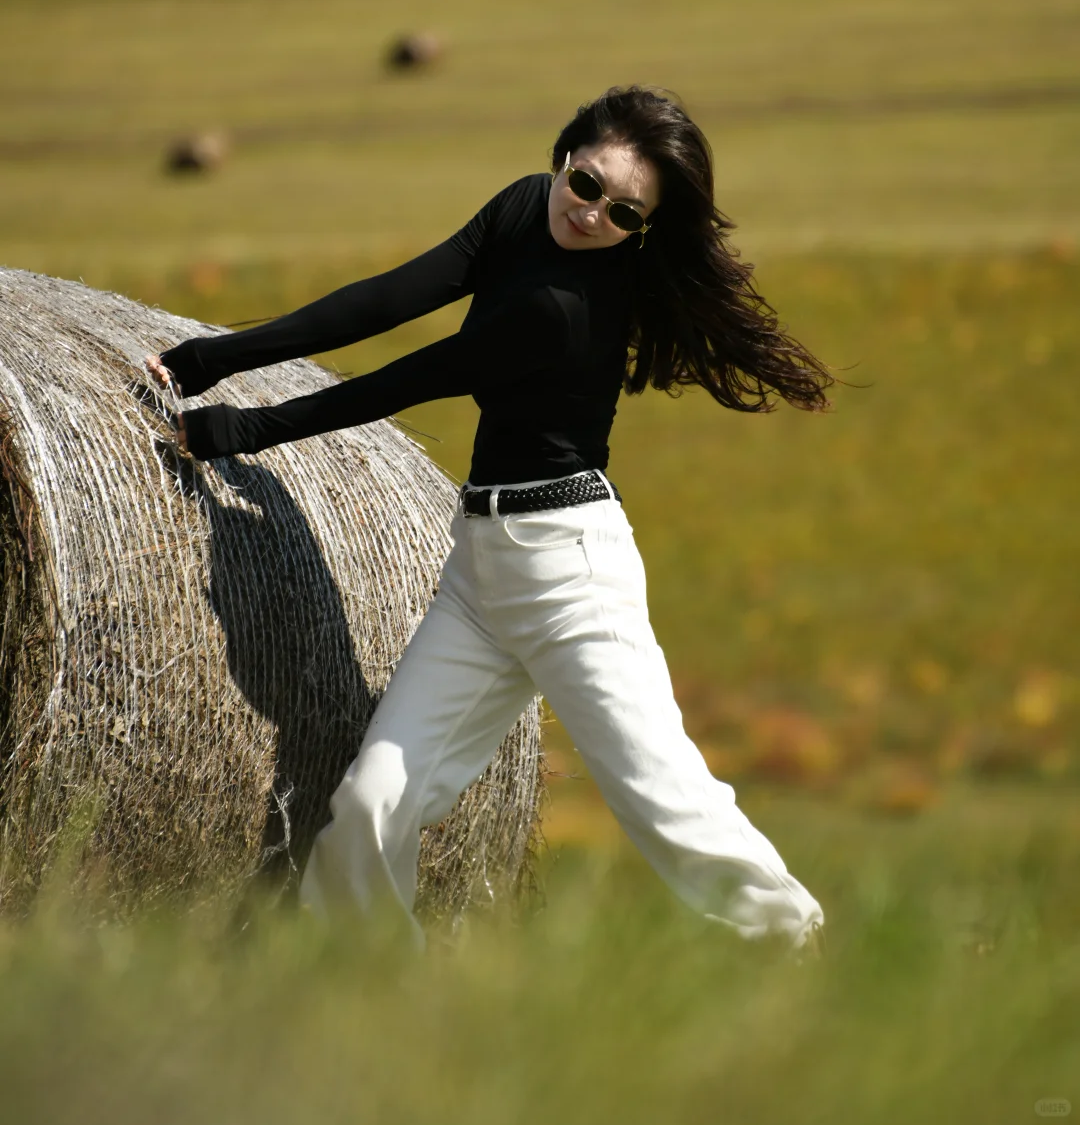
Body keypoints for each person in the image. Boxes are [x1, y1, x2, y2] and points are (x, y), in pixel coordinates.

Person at [146, 86, 833, 955]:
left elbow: (409, 378)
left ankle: (795, 943)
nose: (593, 215)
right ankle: (374, 988)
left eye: (626, 213)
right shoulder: (520, 205)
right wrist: (214, 354)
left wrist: (242, 428)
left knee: (660, 795)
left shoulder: (566, 309)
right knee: (369, 809)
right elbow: (387, 300)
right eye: (586, 185)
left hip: (570, 574)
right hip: (481, 572)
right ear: (564, 157)